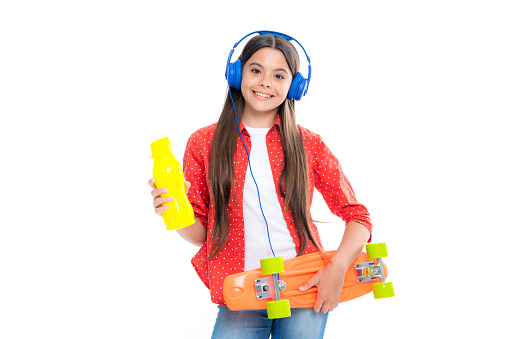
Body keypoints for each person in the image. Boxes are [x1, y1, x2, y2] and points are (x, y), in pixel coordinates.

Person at [148, 31, 373, 339]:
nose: (266, 82)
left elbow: (358, 217)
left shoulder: (309, 144)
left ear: (294, 86)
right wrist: (174, 213)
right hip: (241, 287)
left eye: (279, 75)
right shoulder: (203, 142)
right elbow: (201, 233)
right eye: (256, 70)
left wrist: (335, 270)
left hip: (304, 285)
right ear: (237, 74)